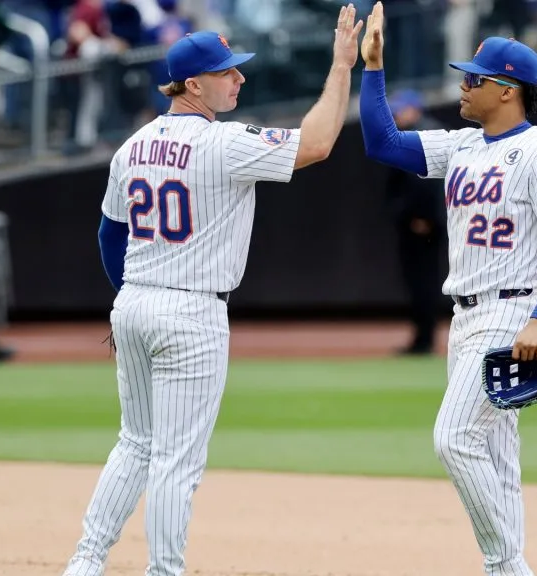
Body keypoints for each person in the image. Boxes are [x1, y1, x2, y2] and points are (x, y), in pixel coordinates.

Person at [61, 7, 363, 575]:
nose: (240, 78)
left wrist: (126, 295)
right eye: (227, 72)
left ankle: (85, 561)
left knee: (135, 443)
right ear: (193, 84)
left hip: (135, 303)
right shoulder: (224, 144)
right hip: (191, 310)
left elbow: (109, 233)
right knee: (176, 460)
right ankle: (165, 571)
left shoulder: (132, 147)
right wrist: (341, 67)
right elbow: (319, 143)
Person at [358, 4, 537, 574]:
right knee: (496, 456)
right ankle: (503, 569)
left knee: (453, 438)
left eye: (474, 79)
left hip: (512, 314)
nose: (462, 86)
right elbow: (383, 143)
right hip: (467, 317)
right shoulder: (461, 146)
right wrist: (372, 68)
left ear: (508, 90)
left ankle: (507, 563)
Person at [384, 89, 448, 355]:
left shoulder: (423, 136)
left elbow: (428, 185)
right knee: (418, 282)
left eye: (401, 109)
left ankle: (424, 340)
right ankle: (421, 337)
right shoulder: (411, 135)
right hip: (416, 223)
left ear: (415, 109)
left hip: (424, 226)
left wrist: (425, 218)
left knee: (423, 282)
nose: (396, 114)